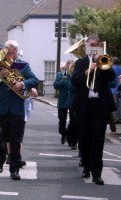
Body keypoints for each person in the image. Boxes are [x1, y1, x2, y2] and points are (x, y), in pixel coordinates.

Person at [0, 40, 39, 180]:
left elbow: (34, 80)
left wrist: (22, 83)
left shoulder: (23, 64)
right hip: (1, 107)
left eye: (13, 53)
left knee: (15, 140)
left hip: (17, 108)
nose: (11, 56)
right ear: (4, 52)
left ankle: (15, 169)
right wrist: (0, 77)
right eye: (8, 53)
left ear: (17, 53)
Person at [71, 35, 116, 185]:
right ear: (86, 47)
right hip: (84, 105)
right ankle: (86, 166)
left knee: (98, 140)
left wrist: (103, 65)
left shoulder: (104, 61)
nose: (94, 48)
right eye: (91, 45)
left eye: (96, 45)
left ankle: (97, 173)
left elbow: (112, 78)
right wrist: (86, 72)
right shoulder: (81, 62)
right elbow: (74, 81)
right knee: (84, 139)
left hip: (100, 106)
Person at [53, 60, 75, 146]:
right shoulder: (61, 74)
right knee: (62, 121)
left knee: (73, 121)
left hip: (72, 101)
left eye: (71, 66)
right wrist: (63, 81)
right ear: (66, 66)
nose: (69, 67)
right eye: (68, 66)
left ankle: (71, 140)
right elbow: (55, 85)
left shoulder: (74, 75)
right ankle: (64, 133)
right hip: (63, 101)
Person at [111, 57, 121, 123]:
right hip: (119, 89)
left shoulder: (111, 69)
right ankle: (119, 118)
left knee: (114, 104)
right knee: (119, 104)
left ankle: (115, 119)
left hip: (112, 89)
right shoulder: (120, 68)